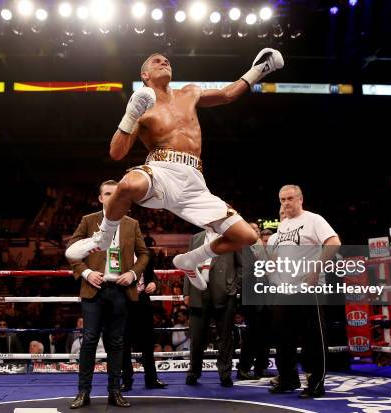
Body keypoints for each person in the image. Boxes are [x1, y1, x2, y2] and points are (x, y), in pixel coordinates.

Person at [65, 49, 284, 290]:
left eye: (166, 60)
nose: (164, 62)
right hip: (160, 171)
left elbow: (226, 94)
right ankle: (103, 237)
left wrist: (259, 70)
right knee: (127, 184)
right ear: (145, 75)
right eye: (157, 61)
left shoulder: (189, 92)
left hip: (195, 182)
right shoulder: (141, 106)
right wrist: (131, 115)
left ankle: (191, 259)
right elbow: (116, 153)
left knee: (247, 237)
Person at [65, 180, 149, 409]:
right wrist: (87, 272)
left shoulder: (131, 224)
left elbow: (144, 255)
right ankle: (83, 392)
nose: (112, 198)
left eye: (116, 194)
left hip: (120, 290)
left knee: (116, 343)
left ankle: (115, 392)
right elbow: (71, 251)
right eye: (108, 194)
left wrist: (133, 274)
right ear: (101, 198)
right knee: (89, 341)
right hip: (94, 289)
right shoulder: (88, 220)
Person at [267, 185, 341, 399]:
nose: (286, 203)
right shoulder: (283, 226)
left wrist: (316, 269)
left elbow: (334, 243)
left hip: (309, 288)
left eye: (290, 198)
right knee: (283, 337)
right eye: (282, 199)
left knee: (313, 338)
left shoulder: (313, 219)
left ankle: (316, 382)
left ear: (300, 199)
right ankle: (288, 379)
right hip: (285, 289)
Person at [183, 228, 245, 387]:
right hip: (198, 291)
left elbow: (242, 266)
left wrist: (233, 285)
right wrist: (186, 292)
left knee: (225, 337)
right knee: (196, 337)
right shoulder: (195, 238)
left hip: (224, 293)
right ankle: (193, 373)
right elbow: (187, 264)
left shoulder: (231, 237)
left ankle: (225, 374)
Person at [120, 247, 167, 392]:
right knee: (125, 343)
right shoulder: (118, 252)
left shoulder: (145, 254)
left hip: (143, 302)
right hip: (124, 302)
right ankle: (126, 381)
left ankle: (151, 379)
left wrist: (154, 283)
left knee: (147, 342)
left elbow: (152, 276)